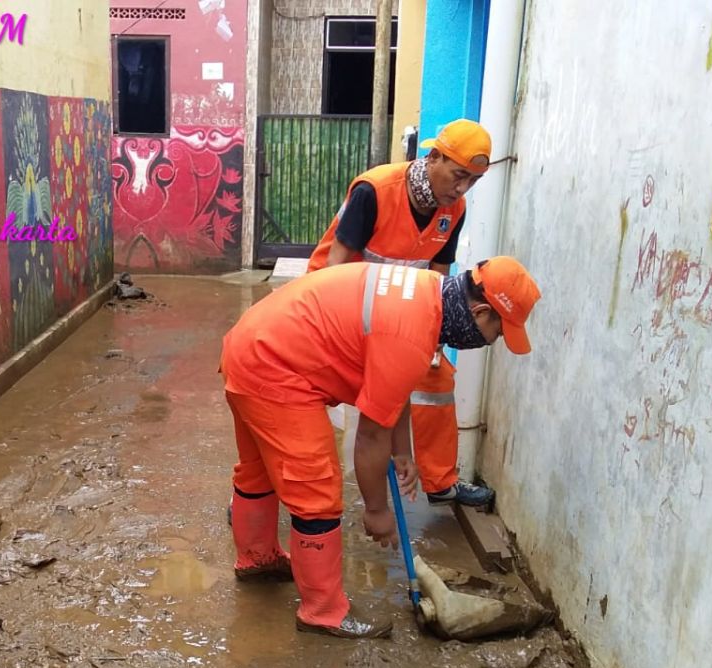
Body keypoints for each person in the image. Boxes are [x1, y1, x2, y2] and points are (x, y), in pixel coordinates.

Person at [220, 257, 541, 638]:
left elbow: (395, 386)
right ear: (481, 311)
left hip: (250, 347)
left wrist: (402, 450)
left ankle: (258, 560)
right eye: (498, 332)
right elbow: (371, 435)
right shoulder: (412, 332)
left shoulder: (427, 295)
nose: (493, 342)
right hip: (275, 369)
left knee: (259, 470)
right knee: (316, 488)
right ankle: (322, 612)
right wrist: (376, 510)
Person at [308, 118, 497, 509]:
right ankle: (264, 485)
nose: (462, 189)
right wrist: (350, 339)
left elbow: (439, 278)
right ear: (434, 157)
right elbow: (335, 266)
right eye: (458, 175)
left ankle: (439, 481)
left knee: (435, 377)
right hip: (340, 303)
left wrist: (432, 341)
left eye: (473, 181)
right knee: (310, 398)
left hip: (398, 312)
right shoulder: (375, 191)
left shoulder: (453, 210)